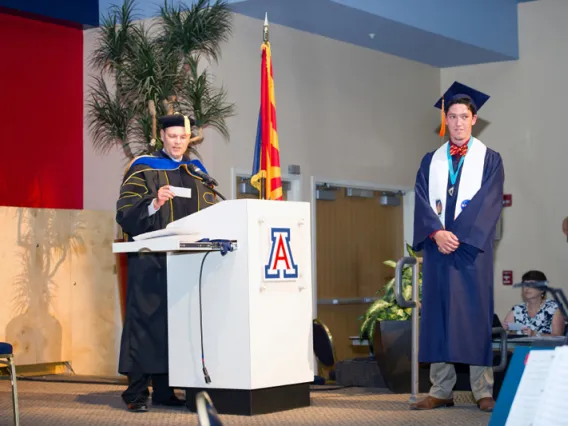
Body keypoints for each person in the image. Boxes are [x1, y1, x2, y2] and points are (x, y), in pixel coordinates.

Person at [410, 82, 504, 413]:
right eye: (452, 116)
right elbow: (421, 200)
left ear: (474, 119)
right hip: (438, 251)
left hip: (470, 252)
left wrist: (458, 236)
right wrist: (436, 234)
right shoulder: (430, 161)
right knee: (438, 315)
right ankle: (441, 389)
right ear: (445, 120)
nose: (459, 123)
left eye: (464, 116)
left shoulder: (489, 160)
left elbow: (488, 203)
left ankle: (482, 390)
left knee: (472, 316)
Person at [116, 113, 218, 412]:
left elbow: (213, 212)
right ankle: (135, 394)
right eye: (172, 136)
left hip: (187, 262)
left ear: (190, 138)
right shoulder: (144, 167)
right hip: (151, 261)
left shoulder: (197, 172)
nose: (177, 142)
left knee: (177, 326)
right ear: (162, 135)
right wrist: (153, 203)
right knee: (146, 326)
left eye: (183, 137)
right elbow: (124, 213)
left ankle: (164, 391)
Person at [503, 270, 566, 337]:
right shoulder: (517, 309)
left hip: (545, 347)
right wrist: (507, 330)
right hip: (519, 347)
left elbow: (558, 336)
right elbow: (502, 329)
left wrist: (534, 334)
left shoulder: (554, 308)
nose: (527, 288)